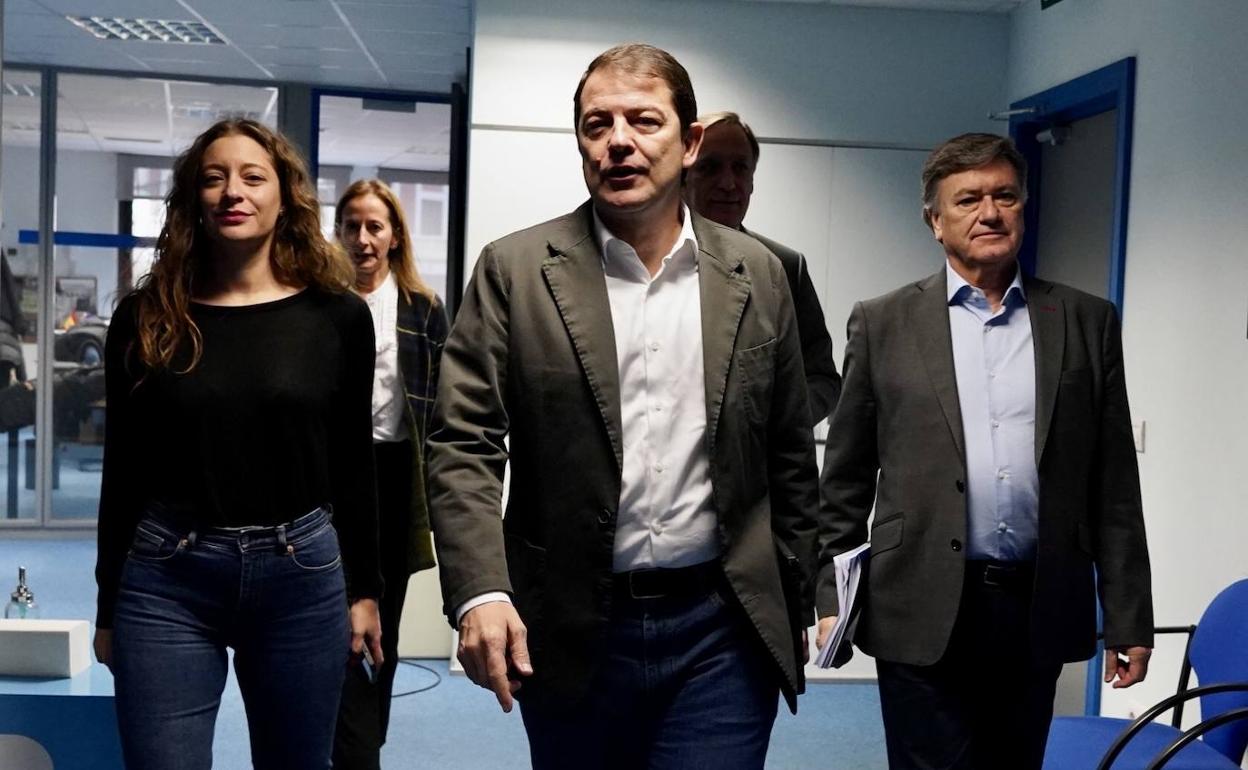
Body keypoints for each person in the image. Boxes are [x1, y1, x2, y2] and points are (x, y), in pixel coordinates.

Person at [426, 43, 819, 770]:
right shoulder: (516, 270)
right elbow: (463, 440)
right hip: (572, 622)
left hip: (721, 628)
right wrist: (481, 589)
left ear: (689, 142)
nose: (618, 142)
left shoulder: (759, 274)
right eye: (597, 124)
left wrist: (797, 593)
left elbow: (789, 451)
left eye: (644, 121)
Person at [815, 133, 1153, 770]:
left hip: (1036, 602)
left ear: (1024, 207)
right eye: (967, 200)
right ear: (935, 221)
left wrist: (1130, 615)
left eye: (1005, 196)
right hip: (916, 596)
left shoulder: (1085, 320)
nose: (989, 213)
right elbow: (845, 480)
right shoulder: (883, 322)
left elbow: (1114, 485)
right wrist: (832, 598)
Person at [93, 118, 383, 770]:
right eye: (214, 178)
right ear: (192, 199)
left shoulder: (337, 317)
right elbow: (124, 470)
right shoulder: (146, 317)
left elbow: (352, 465)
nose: (233, 192)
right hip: (168, 577)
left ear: (285, 198)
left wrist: (365, 590)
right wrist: (109, 604)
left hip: (300, 575)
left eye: (253, 177)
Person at [332, 179, 449, 768]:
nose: (362, 238)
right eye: (351, 226)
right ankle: (353, 751)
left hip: (397, 477)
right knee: (339, 624)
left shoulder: (422, 308)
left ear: (395, 236)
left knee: (386, 625)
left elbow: (445, 407)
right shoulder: (322, 303)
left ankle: (365, 743)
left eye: (374, 226)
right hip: (333, 480)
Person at [684, 111, 841, 423]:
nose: (728, 183)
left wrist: (779, 425)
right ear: (680, 176)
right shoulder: (639, 260)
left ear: (752, 181)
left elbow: (822, 379)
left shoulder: (783, 267)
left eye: (740, 168)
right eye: (709, 167)